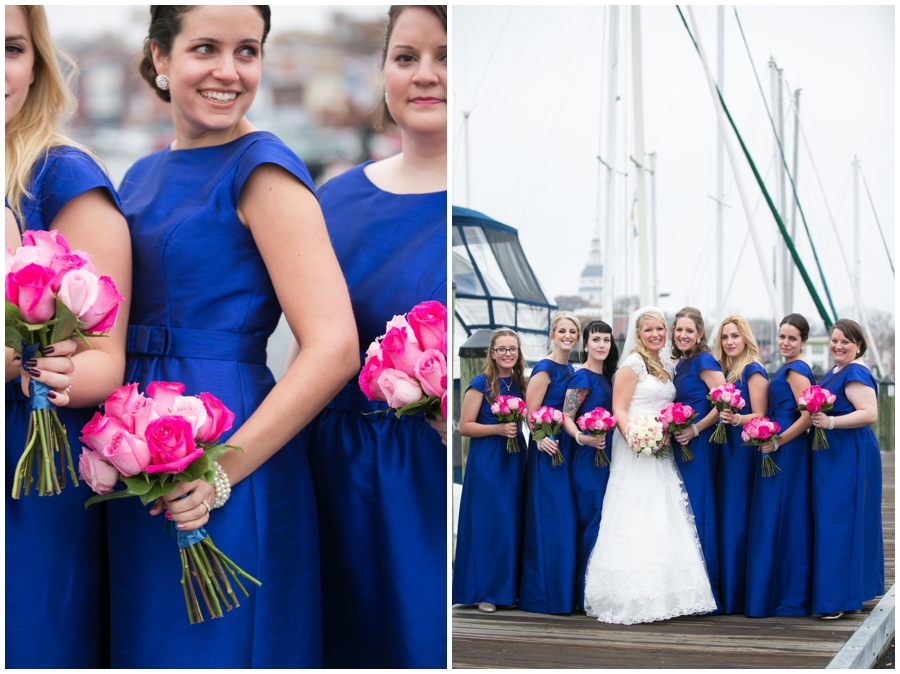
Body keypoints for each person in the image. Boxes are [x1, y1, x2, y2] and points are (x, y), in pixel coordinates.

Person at [107, 6, 358, 667]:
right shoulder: (139, 175)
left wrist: (222, 470)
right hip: (132, 446)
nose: (228, 71)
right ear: (160, 58)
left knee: (221, 647)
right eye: (206, 49)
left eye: (247, 51)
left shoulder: (264, 170)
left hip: (227, 443)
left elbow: (333, 345)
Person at [301, 6, 448, 668]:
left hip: (433, 470)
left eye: (447, 57)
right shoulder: (333, 202)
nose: (426, 75)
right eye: (407, 57)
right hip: (343, 475)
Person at [5, 6, 131, 667]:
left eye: (11, 47)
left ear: (36, 65)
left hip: (26, 459)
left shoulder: (62, 176)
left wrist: (26, 366)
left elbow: (105, 359)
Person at [584, 307, 716, 624]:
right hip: (637, 447)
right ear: (638, 333)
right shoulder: (633, 364)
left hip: (663, 446)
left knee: (664, 511)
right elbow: (619, 408)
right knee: (634, 512)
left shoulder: (666, 365)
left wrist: (663, 433)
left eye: (660, 329)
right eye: (649, 330)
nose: (656, 334)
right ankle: (630, 593)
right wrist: (635, 438)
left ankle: (670, 592)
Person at [809, 319, 884, 619]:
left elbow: (870, 413)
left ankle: (837, 598)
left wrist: (830, 422)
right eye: (835, 340)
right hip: (832, 454)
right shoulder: (834, 372)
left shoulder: (855, 372)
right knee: (834, 519)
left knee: (839, 521)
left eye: (846, 342)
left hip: (850, 454)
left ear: (858, 346)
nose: (838, 346)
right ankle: (849, 589)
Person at [453, 328, 528, 614]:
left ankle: (510, 589)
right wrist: (498, 428)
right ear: (493, 353)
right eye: (503, 349)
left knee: (512, 521)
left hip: (514, 456)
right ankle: (486, 591)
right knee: (490, 523)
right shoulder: (481, 383)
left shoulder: (522, 382)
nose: (508, 354)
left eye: (513, 349)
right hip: (489, 460)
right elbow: (465, 426)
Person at [744, 313, 814, 617]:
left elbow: (809, 416)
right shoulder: (784, 367)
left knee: (783, 514)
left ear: (803, 342)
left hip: (787, 446)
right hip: (773, 442)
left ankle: (786, 595)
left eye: (792, 338)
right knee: (771, 514)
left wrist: (779, 441)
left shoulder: (797, 371)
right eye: (782, 336)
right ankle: (768, 593)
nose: (785, 342)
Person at [518, 311, 580, 614]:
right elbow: (530, 411)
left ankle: (563, 591)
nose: (567, 336)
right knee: (549, 517)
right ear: (552, 334)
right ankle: (542, 594)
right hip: (547, 447)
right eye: (562, 331)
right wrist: (540, 437)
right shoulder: (544, 369)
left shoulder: (572, 369)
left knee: (565, 520)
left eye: (572, 332)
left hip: (567, 446)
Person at [670, 306, 726, 608]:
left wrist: (695, 429)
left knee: (697, 508)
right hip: (680, 443)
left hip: (699, 444)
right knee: (681, 510)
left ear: (700, 333)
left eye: (689, 330)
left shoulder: (704, 360)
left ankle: (706, 589)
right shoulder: (681, 363)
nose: (683, 335)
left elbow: (724, 401)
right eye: (679, 330)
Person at [712, 316, 768, 615]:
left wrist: (736, 418)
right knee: (724, 515)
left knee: (736, 515)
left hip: (743, 450)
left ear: (745, 337)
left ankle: (739, 595)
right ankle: (726, 590)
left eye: (735, 336)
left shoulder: (752, 370)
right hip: (724, 448)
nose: (730, 341)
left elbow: (760, 413)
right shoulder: (724, 371)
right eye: (725, 337)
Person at [562, 320, 618, 609]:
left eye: (606, 340)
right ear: (585, 344)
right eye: (596, 340)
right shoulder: (581, 377)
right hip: (587, 457)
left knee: (604, 519)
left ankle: (597, 587)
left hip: (607, 456)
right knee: (590, 519)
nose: (601, 345)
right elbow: (566, 416)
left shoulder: (606, 377)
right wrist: (583, 438)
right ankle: (582, 592)